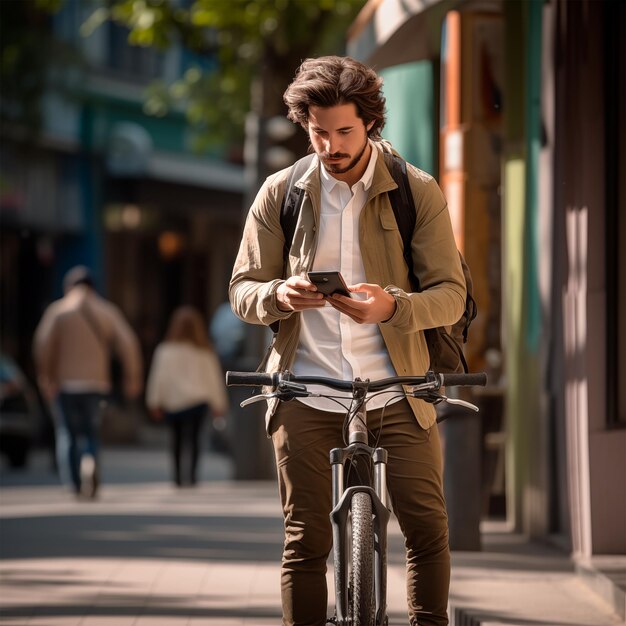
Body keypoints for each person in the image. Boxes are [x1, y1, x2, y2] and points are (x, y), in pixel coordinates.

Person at [229, 56, 466, 626]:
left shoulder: (417, 190)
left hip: (396, 390)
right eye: (318, 132)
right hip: (305, 389)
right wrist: (280, 295)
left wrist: (394, 306)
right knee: (304, 541)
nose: (331, 145)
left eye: (344, 131)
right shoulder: (280, 192)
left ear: (370, 124)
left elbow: (451, 295)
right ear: (303, 125)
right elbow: (241, 288)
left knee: (428, 531)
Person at [33, 265, 143, 498]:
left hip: (65, 384)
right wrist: (132, 377)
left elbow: (43, 346)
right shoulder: (106, 311)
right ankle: (90, 461)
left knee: (68, 434)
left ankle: (73, 483)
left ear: (69, 287)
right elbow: (129, 344)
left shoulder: (58, 310)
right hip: (97, 384)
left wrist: (46, 377)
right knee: (91, 432)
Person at [145, 306, 228, 486]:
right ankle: (192, 476)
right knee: (195, 440)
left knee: (176, 440)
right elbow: (213, 379)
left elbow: (158, 378)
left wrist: (154, 402)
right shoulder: (205, 352)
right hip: (198, 401)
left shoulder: (165, 350)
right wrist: (218, 404)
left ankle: (177, 477)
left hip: (174, 403)